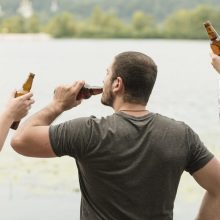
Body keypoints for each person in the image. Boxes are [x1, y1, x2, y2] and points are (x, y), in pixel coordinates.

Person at [11, 51, 220, 220]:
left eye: (106, 74)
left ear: (117, 84)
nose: (102, 80)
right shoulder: (181, 135)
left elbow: (21, 140)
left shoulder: (89, 131)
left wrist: (58, 105)